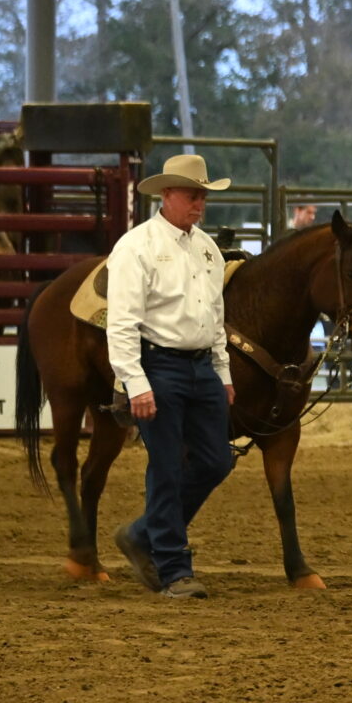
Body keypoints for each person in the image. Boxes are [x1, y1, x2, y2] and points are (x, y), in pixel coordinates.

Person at [105, 152, 239, 600]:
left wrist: (222, 371)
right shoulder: (136, 247)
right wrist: (135, 383)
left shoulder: (207, 249)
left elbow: (214, 316)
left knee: (216, 460)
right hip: (159, 366)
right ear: (166, 195)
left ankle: (144, 533)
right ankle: (174, 569)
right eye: (191, 195)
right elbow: (122, 323)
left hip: (200, 366)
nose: (199, 204)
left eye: (203, 196)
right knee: (165, 466)